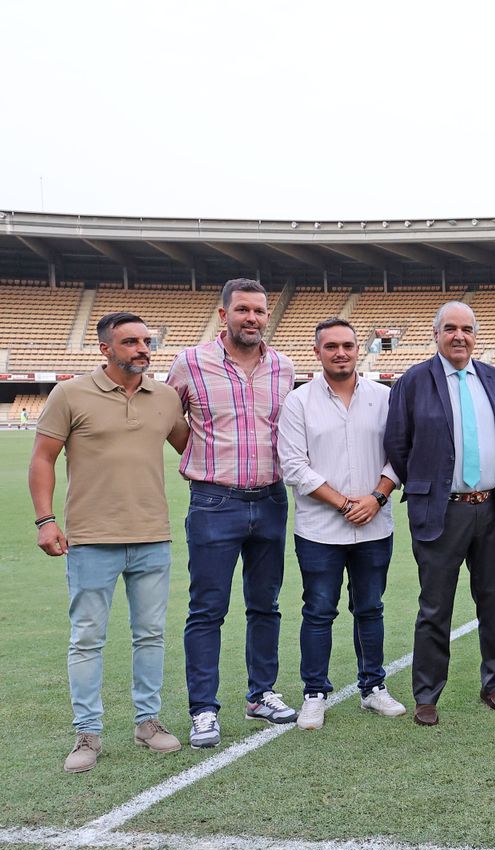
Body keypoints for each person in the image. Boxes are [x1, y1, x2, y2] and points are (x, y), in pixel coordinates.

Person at [30, 312, 188, 772]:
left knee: (151, 635)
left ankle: (148, 722)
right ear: (105, 349)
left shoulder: (164, 397)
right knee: (86, 638)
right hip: (91, 539)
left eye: (146, 340)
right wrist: (46, 520)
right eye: (131, 342)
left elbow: (191, 448)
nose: (143, 348)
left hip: (152, 536)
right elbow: (43, 459)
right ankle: (88, 733)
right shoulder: (70, 393)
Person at [167, 278, 298, 749]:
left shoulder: (284, 365)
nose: (253, 318)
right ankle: (203, 709)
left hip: (270, 499)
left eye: (260, 311)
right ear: (223, 315)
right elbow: (169, 418)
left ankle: (261, 694)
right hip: (213, 501)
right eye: (243, 310)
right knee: (207, 609)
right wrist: (200, 454)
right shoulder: (190, 362)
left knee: (266, 605)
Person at [383, 301, 495, 727]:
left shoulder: (494, 380)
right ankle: (427, 694)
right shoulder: (414, 381)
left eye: (467, 329)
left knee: (493, 602)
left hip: (490, 509)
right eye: (451, 329)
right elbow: (397, 445)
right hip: (441, 511)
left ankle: (493, 682)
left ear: (476, 336)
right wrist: (429, 486)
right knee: (435, 607)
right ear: (436, 333)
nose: (460, 336)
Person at [277, 318, 406, 730]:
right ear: (317, 352)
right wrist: (344, 502)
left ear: (358, 349)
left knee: (370, 608)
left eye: (348, 345)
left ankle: (373, 688)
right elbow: (293, 465)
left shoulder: (384, 397)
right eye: (331, 346)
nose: (341, 352)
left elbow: (400, 455)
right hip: (319, 530)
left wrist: (377, 497)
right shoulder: (298, 402)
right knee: (318, 611)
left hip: (375, 524)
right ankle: (315, 693)